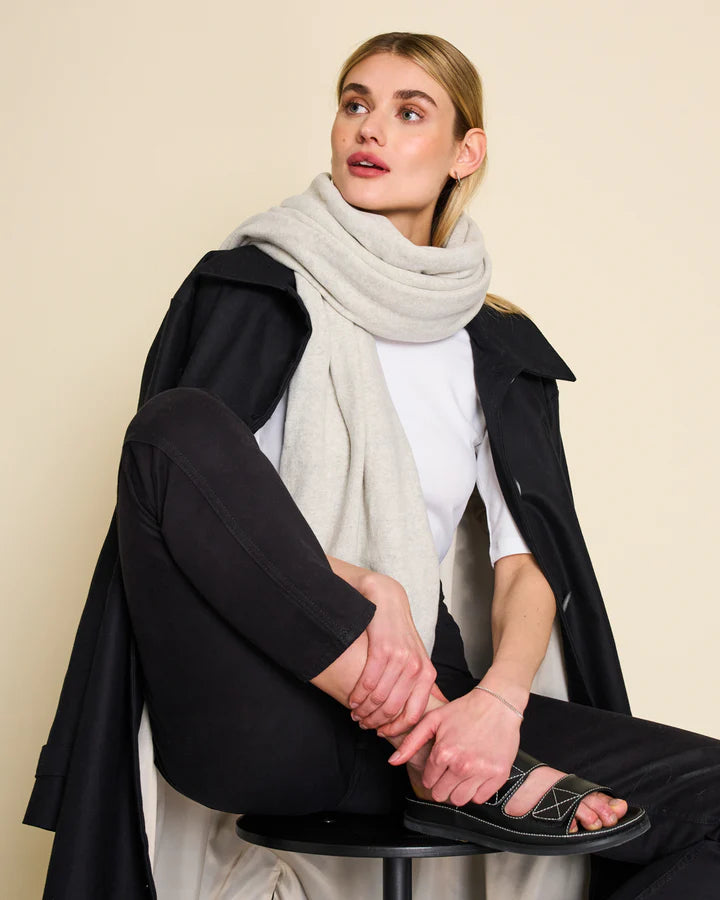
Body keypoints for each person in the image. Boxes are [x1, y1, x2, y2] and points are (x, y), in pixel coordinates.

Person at [24, 31, 720, 900]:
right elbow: (188, 500)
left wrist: (497, 706)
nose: (370, 128)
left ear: (466, 153)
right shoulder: (250, 290)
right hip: (261, 702)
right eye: (354, 103)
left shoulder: (493, 346)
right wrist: (355, 584)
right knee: (174, 429)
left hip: (439, 681)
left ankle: (444, 742)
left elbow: (526, 563)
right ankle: (429, 741)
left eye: (409, 111)